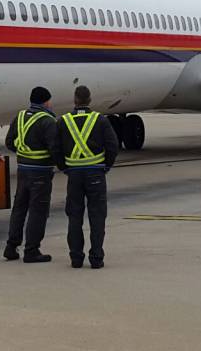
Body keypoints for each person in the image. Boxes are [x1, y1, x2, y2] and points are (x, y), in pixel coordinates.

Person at [53, 85, 119, 269]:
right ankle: (96, 258)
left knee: (74, 216)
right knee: (97, 216)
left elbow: (56, 148)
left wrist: (64, 167)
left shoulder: (63, 121)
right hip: (95, 173)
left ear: (74, 100)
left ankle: (76, 258)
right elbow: (112, 145)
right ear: (90, 100)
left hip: (74, 175)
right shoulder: (100, 120)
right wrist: (106, 165)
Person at [3, 86, 58, 263]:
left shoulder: (19, 117)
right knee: (38, 211)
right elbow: (55, 149)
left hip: (23, 170)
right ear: (46, 101)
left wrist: (24, 153)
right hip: (40, 173)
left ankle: (11, 247)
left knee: (19, 208)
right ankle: (32, 250)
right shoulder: (48, 121)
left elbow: (9, 142)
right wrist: (63, 165)